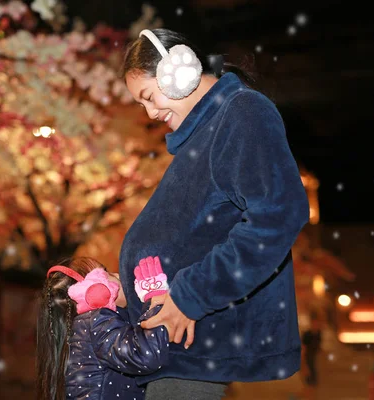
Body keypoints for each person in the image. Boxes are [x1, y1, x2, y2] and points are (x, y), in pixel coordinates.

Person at [118, 28, 310, 399]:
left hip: (194, 340)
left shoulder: (242, 112)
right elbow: (197, 237)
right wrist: (128, 285)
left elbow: (278, 215)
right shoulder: (209, 130)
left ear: (179, 72)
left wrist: (191, 296)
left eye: (149, 97)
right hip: (177, 341)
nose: (151, 113)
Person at [36, 256, 170, 400]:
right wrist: (154, 298)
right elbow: (147, 355)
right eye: (106, 272)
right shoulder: (96, 322)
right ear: (89, 289)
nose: (118, 275)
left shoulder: (84, 328)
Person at [301, 312, 323, 387]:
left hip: (314, 358)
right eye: (315, 323)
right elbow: (303, 348)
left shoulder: (318, 333)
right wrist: (303, 363)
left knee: (314, 381)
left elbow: (318, 346)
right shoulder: (307, 334)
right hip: (307, 358)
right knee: (308, 381)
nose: (317, 325)